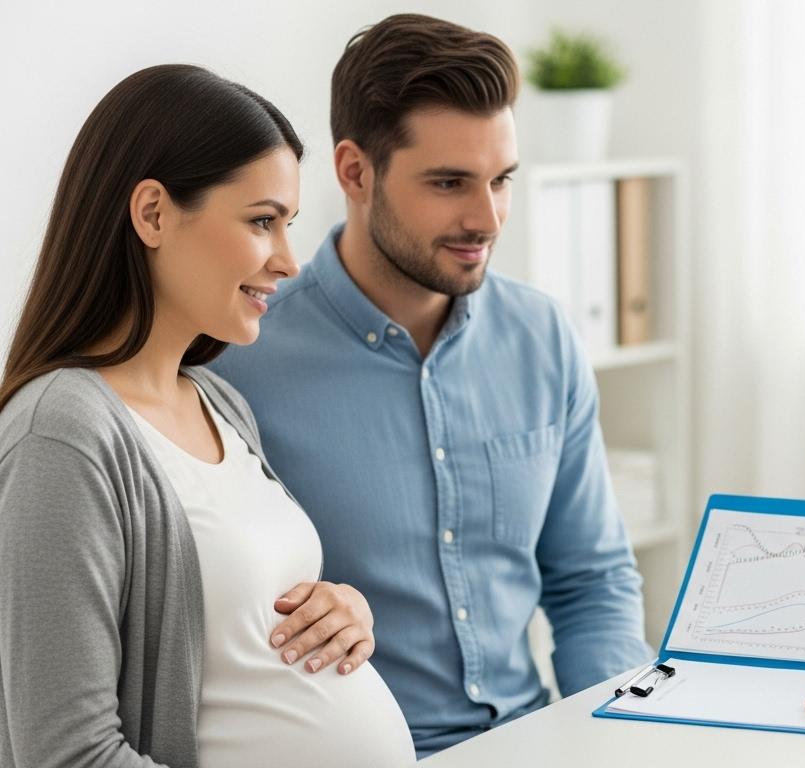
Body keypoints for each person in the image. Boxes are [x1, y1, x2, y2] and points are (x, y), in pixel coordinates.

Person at [207, 14, 653, 756]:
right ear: (355, 172)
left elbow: (590, 580)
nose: (486, 218)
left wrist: (614, 737)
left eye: (501, 180)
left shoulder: (542, 338)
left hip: (538, 739)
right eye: (449, 183)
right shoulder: (236, 361)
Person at [0, 65, 415, 767]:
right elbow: (69, 754)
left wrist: (340, 611)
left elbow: (238, 638)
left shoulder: (220, 403)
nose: (287, 259)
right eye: (261, 222)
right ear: (154, 213)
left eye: (288, 226)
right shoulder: (62, 436)